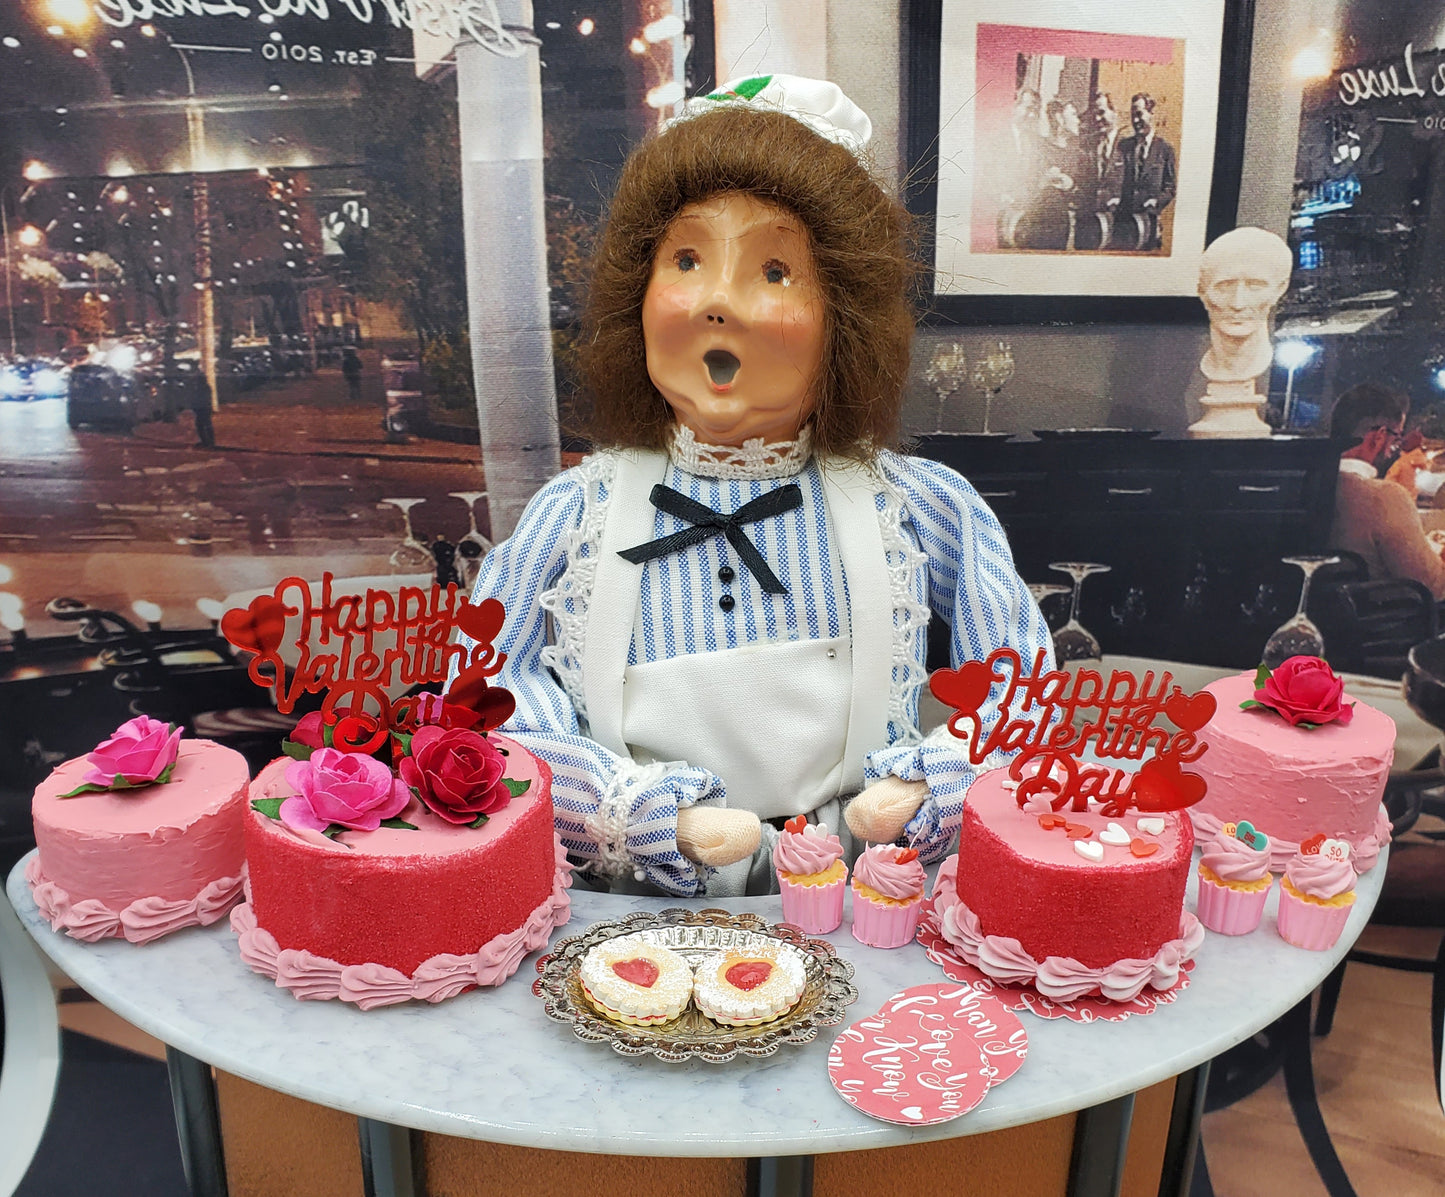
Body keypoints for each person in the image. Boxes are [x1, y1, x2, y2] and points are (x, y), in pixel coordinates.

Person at [456, 75, 1051, 898]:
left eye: (774, 270)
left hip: (859, 896)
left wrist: (923, 788)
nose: (715, 302)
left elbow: (1024, 682)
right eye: (687, 259)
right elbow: (490, 697)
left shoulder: (919, 505)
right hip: (635, 909)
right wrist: (639, 811)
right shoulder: (576, 514)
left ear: (845, 317)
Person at [1327, 383, 1445, 599]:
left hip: (1319, 613)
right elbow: (1433, 589)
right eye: (1397, 437)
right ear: (1379, 436)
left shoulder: (1306, 485)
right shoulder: (1382, 497)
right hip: (1382, 625)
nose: (1396, 449)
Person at [1017, 98, 1084, 251]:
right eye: (1073, 115)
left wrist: (1071, 185)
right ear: (1058, 118)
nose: (1078, 121)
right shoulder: (1039, 149)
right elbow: (1026, 184)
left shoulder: (1080, 153)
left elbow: (1088, 190)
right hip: (1041, 222)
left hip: (1071, 228)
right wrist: (1043, 182)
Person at [1113, 93, 1177, 251]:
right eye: (1133, 115)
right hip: (1123, 224)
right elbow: (1114, 178)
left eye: (1140, 114)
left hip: (1149, 224)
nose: (1135, 121)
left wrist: (1156, 202)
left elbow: (1170, 188)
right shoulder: (1123, 146)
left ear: (1152, 114)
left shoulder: (1165, 150)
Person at [998, 88, 1042, 249]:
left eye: (1035, 110)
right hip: (998, 211)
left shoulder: (1033, 141)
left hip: (1022, 215)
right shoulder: (996, 137)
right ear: (1013, 107)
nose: (1032, 115)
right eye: (1028, 108)